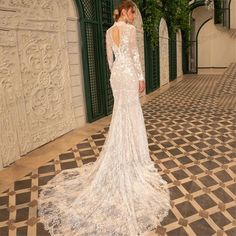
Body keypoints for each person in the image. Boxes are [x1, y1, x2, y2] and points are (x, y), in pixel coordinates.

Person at [38, 1, 170, 235]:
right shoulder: (129, 30)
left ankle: (123, 149)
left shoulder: (109, 31)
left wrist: (115, 77)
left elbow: (110, 60)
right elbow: (135, 56)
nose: (133, 17)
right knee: (132, 113)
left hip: (117, 76)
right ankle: (134, 155)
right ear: (127, 12)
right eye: (132, 13)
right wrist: (140, 78)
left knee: (121, 113)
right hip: (128, 73)